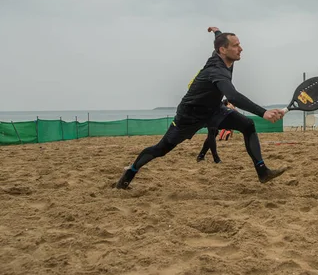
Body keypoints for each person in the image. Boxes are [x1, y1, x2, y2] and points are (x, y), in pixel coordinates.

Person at [115, 26, 287, 189]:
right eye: (236, 46)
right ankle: (130, 172)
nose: (240, 48)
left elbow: (219, 42)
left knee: (248, 125)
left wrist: (217, 31)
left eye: (239, 44)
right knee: (161, 149)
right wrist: (263, 112)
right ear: (223, 50)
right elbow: (233, 96)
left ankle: (262, 171)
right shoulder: (216, 71)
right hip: (189, 116)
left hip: (213, 110)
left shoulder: (221, 56)